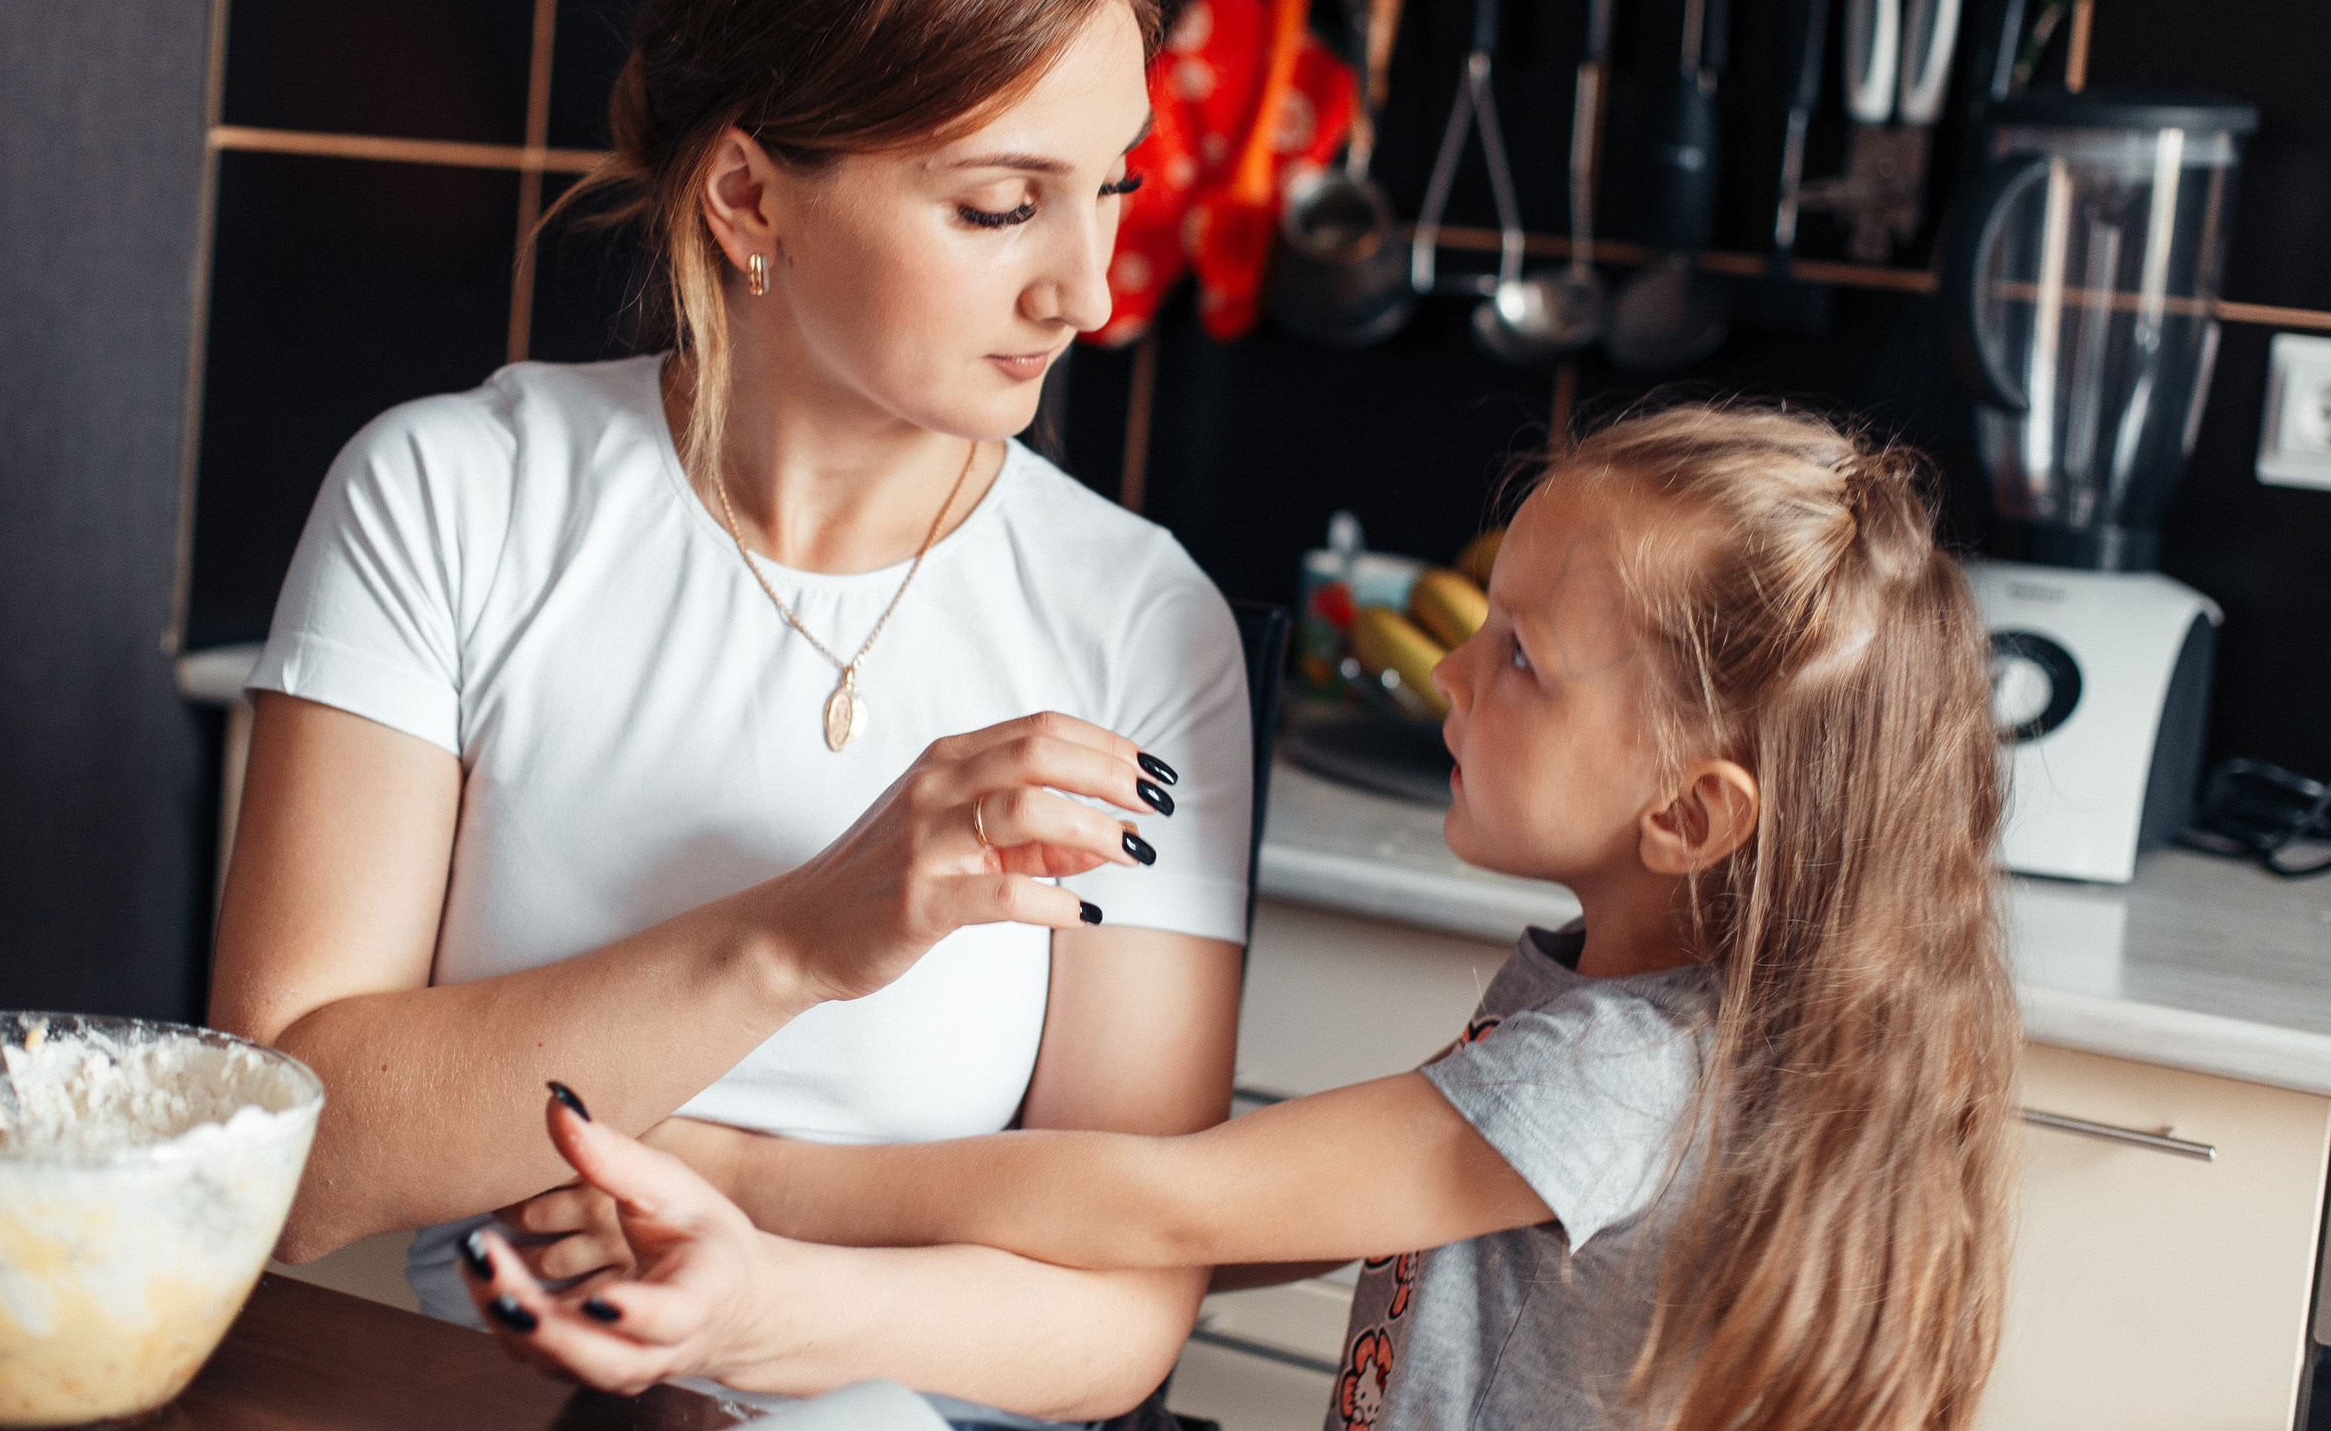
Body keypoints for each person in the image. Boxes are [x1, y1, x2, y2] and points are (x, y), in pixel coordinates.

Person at [207, 0, 1257, 1421]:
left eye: (1109, 187)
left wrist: (743, 1276)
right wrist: (793, 939)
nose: (1090, 290)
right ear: (752, 199)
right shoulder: (453, 499)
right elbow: (287, 1157)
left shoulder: (1140, 620)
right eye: (999, 205)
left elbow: (1120, 1315)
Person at [458, 403, 2025, 1431]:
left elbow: (1174, 1207)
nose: (1452, 671)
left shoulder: (1615, 1073)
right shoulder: (1631, 1005)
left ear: (1689, 814)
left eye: (1524, 661)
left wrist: (726, 1169)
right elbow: (1283, 1222)